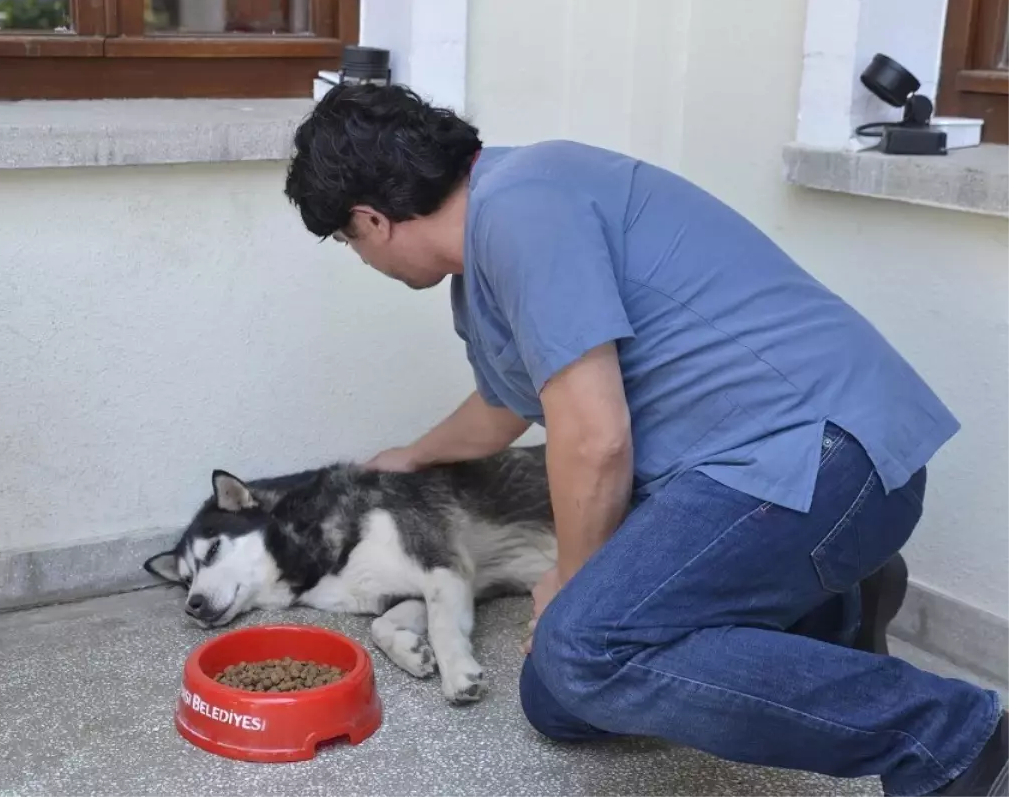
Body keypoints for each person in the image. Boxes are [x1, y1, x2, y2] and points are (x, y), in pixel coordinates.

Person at [283, 83, 1007, 797]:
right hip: (742, 476)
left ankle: (947, 735)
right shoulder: (482, 261)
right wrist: (413, 456)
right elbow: (509, 405)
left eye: (349, 242)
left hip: (824, 454)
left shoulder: (524, 208)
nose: (363, 256)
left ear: (370, 220)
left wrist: (571, 580)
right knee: (558, 702)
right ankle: (833, 614)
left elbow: (594, 438)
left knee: (586, 650)